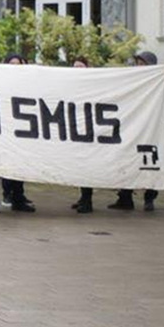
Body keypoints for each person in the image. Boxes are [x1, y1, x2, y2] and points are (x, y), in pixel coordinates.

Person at [109, 51, 164, 212]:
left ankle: (149, 198)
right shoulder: (133, 79)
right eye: (138, 63)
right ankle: (125, 198)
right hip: (132, 126)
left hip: (152, 127)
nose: (139, 66)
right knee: (128, 161)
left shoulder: (157, 79)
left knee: (150, 163)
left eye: (143, 63)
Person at [0, 53, 35, 213]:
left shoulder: (26, 84)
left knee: (18, 166)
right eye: (12, 64)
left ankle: (18, 199)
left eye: (18, 64)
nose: (15, 67)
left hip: (19, 131)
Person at [69, 58, 95, 214]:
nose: (78, 69)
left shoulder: (93, 82)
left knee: (87, 165)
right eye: (75, 67)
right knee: (80, 165)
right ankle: (83, 198)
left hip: (89, 130)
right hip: (75, 129)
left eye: (81, 66)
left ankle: (87, 200)